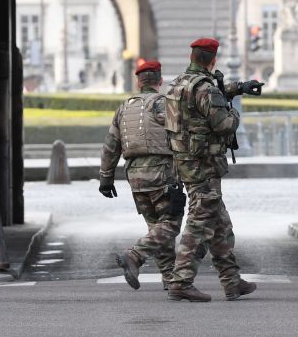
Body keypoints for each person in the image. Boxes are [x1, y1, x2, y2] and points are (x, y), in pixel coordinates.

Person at [163, 38, 262, 302]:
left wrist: (237, 89)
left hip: (185, 162)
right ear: (213, 60)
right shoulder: (205, 88)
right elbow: (224, 124)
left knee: (221, 226)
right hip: (204, 165)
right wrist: (235, 114)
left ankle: (232, 281)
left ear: (192, 57)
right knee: (199, 223)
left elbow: (199, 103)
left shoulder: (178, 84)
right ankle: (181, 281)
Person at [99, 60, 186, 291]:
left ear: (138, 82)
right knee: (170, 224)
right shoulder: (164, 104)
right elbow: (181, 138)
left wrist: (106, 178)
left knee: (156, 227)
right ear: (159, 81)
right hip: (162, 174)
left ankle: (170, 278)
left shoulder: (124, 108)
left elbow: (111, 146)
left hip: (135, 178)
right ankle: (135, 255)